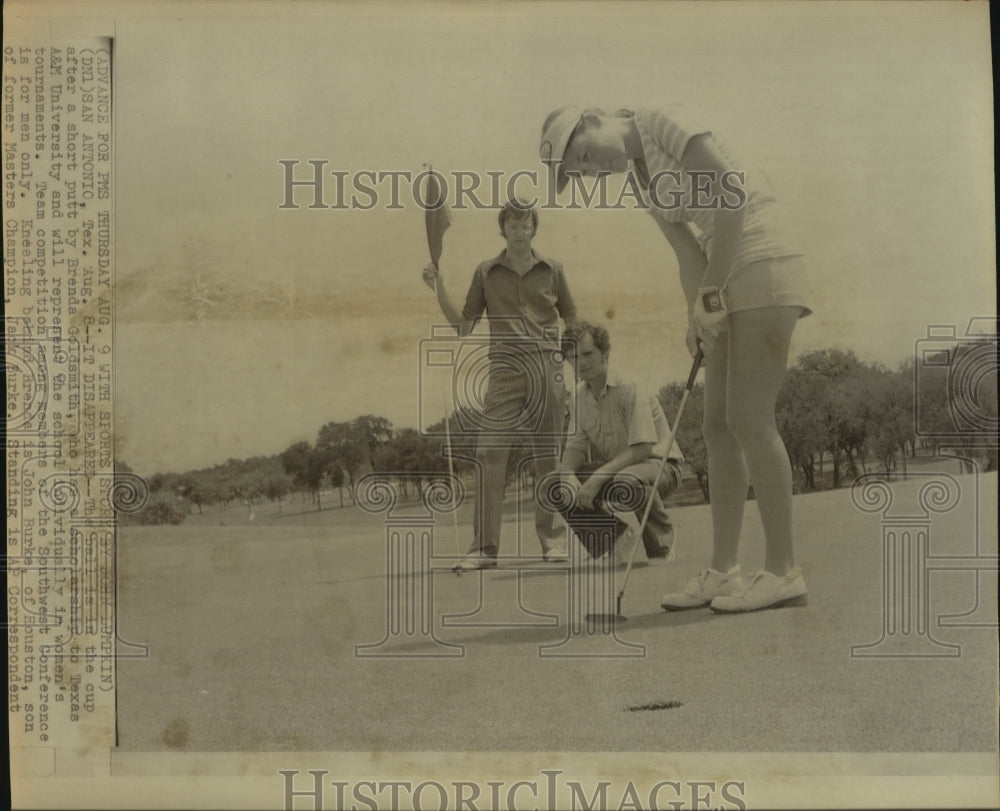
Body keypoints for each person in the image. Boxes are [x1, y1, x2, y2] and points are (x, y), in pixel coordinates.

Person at [539, 105, 811, 612]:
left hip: (763, 258)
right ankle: (724, 572)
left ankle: (783, 571)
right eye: (582, 173)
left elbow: (732, 194)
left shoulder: (657, 120)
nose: (594, 171)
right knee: (717, 425)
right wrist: (696, 315)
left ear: (594, 120)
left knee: (750, 419)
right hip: (726, 276)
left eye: (585, 156)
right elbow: (689, 254)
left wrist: (711, 293)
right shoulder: (640, 182)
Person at [422, 198, 576, 570]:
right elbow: (463, 325)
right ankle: (484, 549)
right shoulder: (486, 272)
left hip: (547, 365)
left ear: (534, 229)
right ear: (503, 228)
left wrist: (569, 355)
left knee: (548, 456)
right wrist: (438, 288)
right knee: (489, 453)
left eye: (526, 225)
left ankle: (553, 541)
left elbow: (571, 316)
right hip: (504, 370)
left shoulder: (553, 269)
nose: (520, 232)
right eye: (513, 225)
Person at [558, 320, 682, 564]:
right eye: (573, 357)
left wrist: (597, 478)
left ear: (605, 352)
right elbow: (575, 447)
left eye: (587, 354)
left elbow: (643, 448)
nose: (581, 363)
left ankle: (662, 544)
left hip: (662, 467)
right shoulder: (577, 398)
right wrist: (567, 476)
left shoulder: (630, 386)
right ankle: (616, 540)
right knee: (555, 485)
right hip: (619, 472)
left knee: (628, 478)